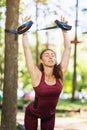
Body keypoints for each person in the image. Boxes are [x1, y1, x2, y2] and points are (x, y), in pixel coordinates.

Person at [22, 15, 71, 130]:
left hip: (49, 115)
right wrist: (24, 31)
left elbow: (68, 49)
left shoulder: (60, 73)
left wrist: (64, 30)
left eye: (53, 55)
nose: (51, 57)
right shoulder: (37, 74)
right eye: (47, 55)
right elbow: (26, 49)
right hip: (32, 113)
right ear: (41, 60)